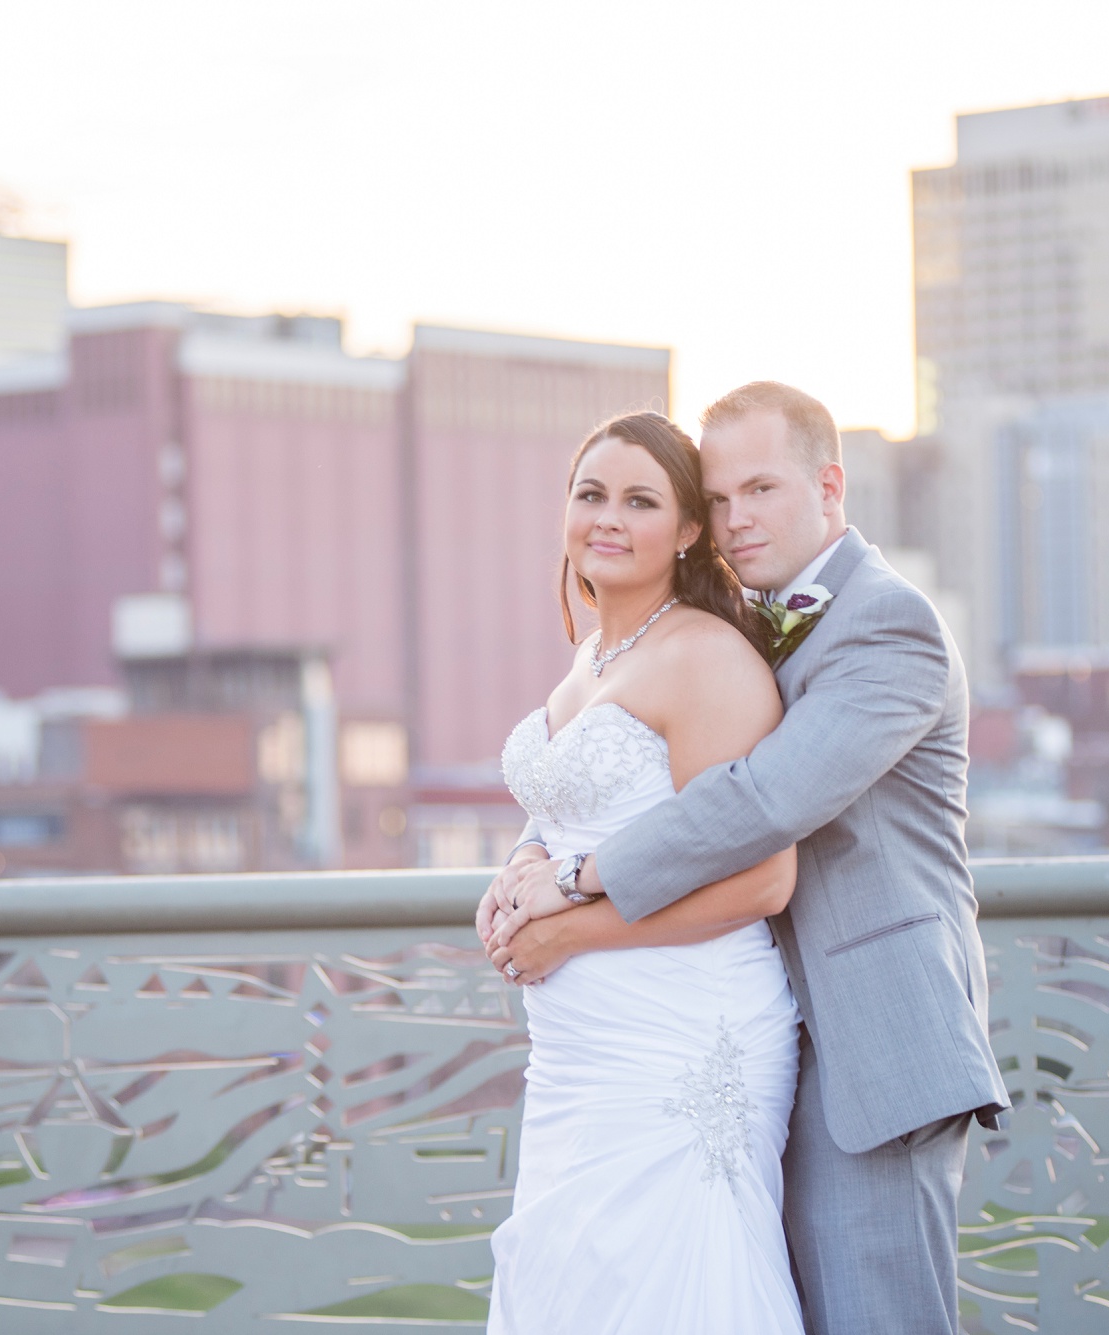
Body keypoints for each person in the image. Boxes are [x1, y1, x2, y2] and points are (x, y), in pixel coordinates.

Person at [483, 382, 1009, 1335]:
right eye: (721, 497)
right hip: (741, 1023)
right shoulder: (742, 621)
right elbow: (621, 769)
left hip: (872, 1031)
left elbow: (764, 802)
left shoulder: (889, 625)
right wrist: (530, 851)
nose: (737, 518)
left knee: (874, 1318)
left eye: (760, 489)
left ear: (830, 486)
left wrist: (572, 882)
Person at [479, 410, 806, 1334]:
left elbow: (762, 881)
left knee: (673, 1287)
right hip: (577, 1058)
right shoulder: (590, 661)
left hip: (682, 1035)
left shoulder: (706, 658)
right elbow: (571, 809)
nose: (608, 518)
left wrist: (571, 927)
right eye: (591, 495)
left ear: (691, 529)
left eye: (640, 500)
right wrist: (520, 868)